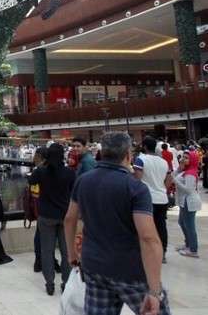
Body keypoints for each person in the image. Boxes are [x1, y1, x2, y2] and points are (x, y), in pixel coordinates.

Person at [65, 131, 170, 315]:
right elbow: (148, 238)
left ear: (102, 153)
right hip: (130, 271)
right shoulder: (135, 188)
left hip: (94, 267)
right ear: (128, 155)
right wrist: (154, 291)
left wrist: (72, 254)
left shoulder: (83, 181)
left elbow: (70, 219)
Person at [28, 143, 75, 295]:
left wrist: (40, 165)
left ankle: (49, 283)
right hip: (65, 216)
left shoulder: (41, 172)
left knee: (47, 251)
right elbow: (74, 191)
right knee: (66, 251)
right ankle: (66, 283)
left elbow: (31, 181)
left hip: (46, 215)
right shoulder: (70, 173)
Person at [133, 135, 172, 262]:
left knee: (146, 228)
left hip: (147, 199)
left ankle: (147, 252)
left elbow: (138, 179)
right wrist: (163, 189)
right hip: (162, 198)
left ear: (144, 146)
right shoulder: (163, 161)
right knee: (161, 226)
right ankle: (163, 253)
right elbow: (169, 178)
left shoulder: (141, 160)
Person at [172, 150, 202, 258]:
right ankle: (188, 245)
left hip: (189, 201)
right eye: (183, 157)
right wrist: (178, 170)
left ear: (192, 160)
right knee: (182, 223)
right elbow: (172, 176)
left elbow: (188, 190)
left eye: (186, 158)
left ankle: (193, 249)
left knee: (189, 226)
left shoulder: (190, 173)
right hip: (185, 201)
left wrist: (175, 181)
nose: (183, 159)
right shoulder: (185, 171)